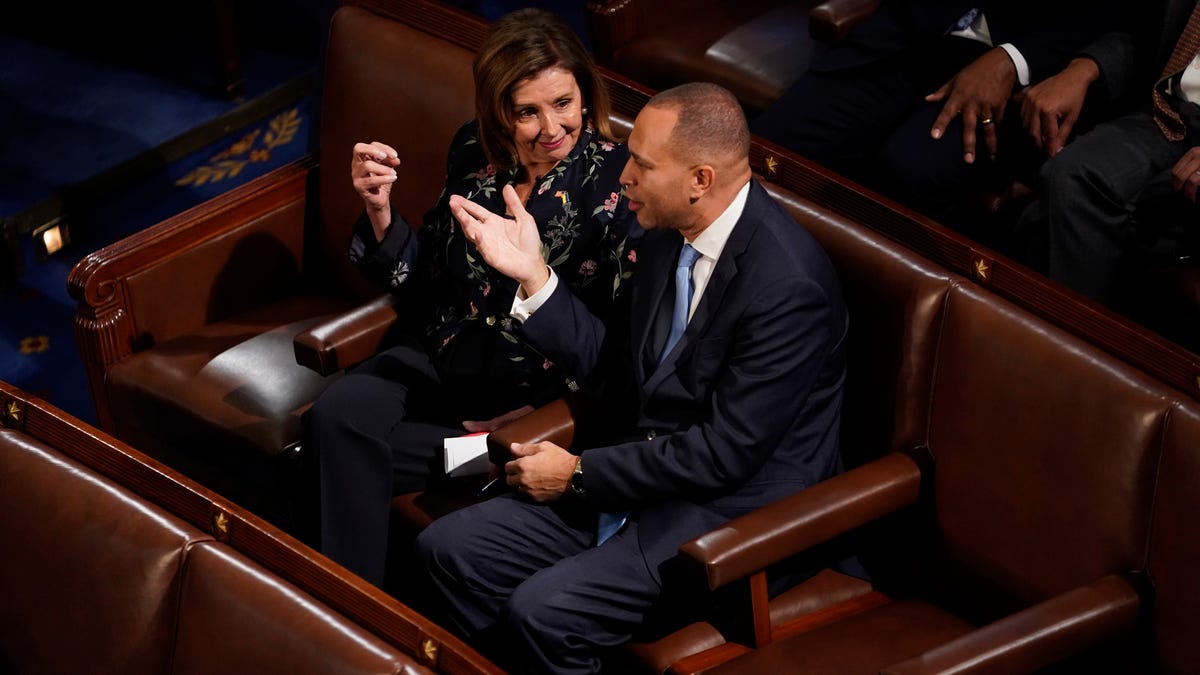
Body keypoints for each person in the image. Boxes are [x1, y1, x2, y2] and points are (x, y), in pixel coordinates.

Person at [415, 82, 850, 674]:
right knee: (447, 551)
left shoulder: (789, 289)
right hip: (636, 483)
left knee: (542, 613)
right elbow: (620, 374)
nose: (624, 177)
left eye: (642, 165)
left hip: (724, 521)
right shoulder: (666, 233)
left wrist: (579, 474)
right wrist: (535, 277)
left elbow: (724, 455)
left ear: (701, 179)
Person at [300, 7, 642, 588]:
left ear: (586, 95)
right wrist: (381, 214)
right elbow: (426, 281)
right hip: (437, 364)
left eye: (563, 103)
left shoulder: (619, 186)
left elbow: (619, 355)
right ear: (498, 113)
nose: (551, 127)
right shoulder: (473, 151)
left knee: (331, 447)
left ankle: (349, 619)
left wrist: (547, 414)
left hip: (525, 408)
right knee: (335, 418)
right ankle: (357, 619)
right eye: (527, 112)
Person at [749, 1, 1121, 236]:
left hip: (1032, 62)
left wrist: (1014, 57)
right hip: (916, 26)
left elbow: (1131, 16)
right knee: (770, 150)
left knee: (908, 172)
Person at [1014, 0, 1200, 309]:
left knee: (1047, 218)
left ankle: (1064, 354)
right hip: (1167, 110)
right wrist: (1083, 69)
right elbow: (1144, 30)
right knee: (1068, 179)